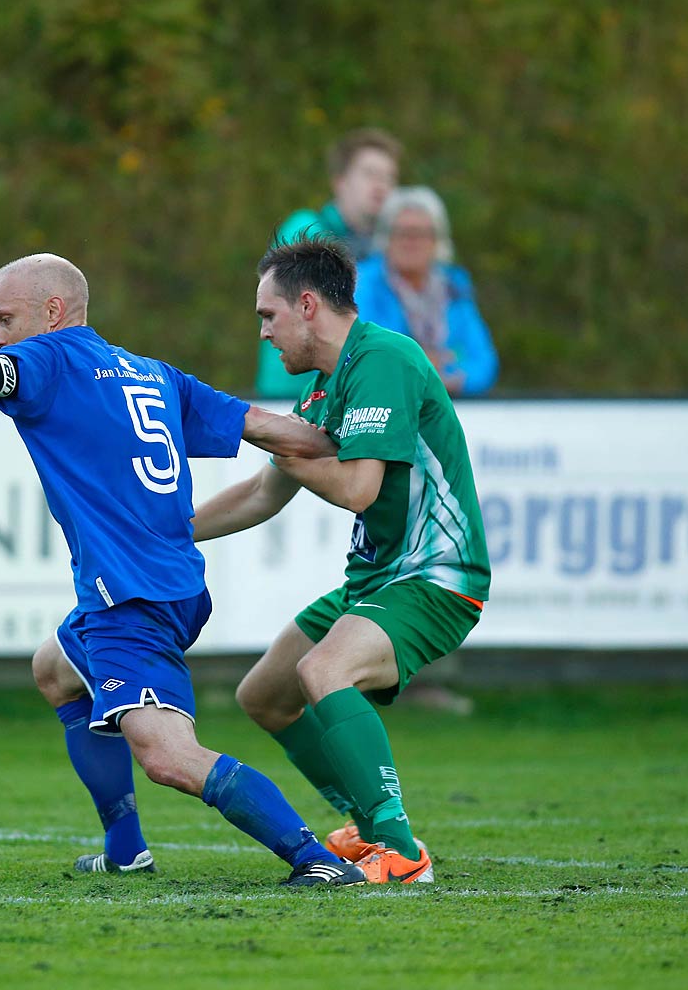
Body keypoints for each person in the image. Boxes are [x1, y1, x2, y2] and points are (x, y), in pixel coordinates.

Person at [0, 254, 366, 888]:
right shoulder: (155, 375)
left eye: (5, 319)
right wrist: (360, 431)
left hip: (133, 600)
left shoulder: (50, 361)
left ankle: (315, 859)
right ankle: (126, 849)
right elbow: (277, 432)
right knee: (55, 667)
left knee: (168, 757)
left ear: (54, 314)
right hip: (162, 586)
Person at [193, 236, 492, 884]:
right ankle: (364, 820)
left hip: (434, 574)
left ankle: (402, 851)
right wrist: (166, 531)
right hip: (379, 580)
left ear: (306, 305)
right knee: (264, 695)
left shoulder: (382, 360)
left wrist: (284, 446)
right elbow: (264, 493)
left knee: (323, 669)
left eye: (267, 316)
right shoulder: (328, 388)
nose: (265, 334)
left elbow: (357, 487)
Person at [255, 128, 401, 398]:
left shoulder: (387, 252)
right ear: (340, 182)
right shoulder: (305, 229)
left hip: (348, 395)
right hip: (292, 395)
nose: (381, 186)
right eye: (370, 174)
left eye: (389, 178)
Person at [355, 186, 498, 396]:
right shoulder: (364, 283)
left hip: (449, 404)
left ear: (437, 240)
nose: (411, 243)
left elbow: (484, 361)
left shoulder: (454, 285)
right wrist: (421, 367)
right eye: (402, 233)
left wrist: (454, 378)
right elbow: (364, 353)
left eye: (421, 233)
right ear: (386, 238)